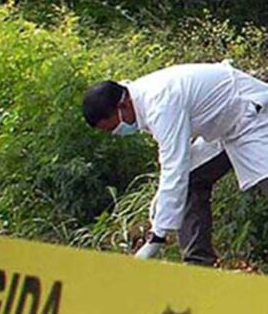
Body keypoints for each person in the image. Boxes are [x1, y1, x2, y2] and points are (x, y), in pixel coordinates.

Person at [82, 62, 268, 261]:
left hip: (252, 115)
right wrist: (162, 198)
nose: (117, 132)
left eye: (114, 127)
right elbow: (176, 160)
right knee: (191, 179)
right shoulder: (140, 100)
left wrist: (157, 237)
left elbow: (174, 165)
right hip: (224, 126)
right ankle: (197, 265)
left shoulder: (160, 104)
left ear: (123, 106)